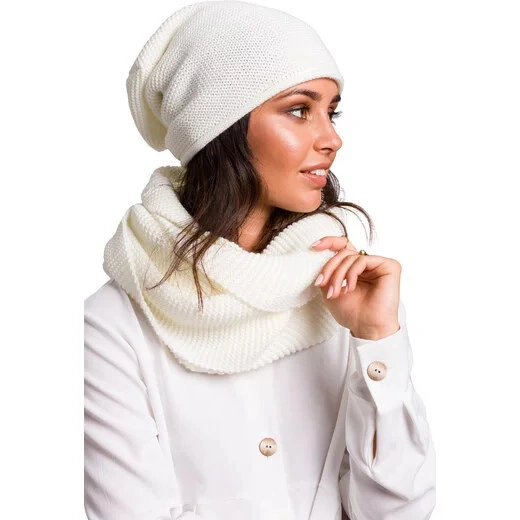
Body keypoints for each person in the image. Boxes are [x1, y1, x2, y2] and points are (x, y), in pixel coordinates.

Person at [84, 1, 436, 519]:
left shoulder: (348, 295)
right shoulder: (114, 324)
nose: (332, 139)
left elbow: (399, 511)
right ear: (219, 127)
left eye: (331, 111)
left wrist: (377, 340)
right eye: (299, 110)